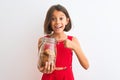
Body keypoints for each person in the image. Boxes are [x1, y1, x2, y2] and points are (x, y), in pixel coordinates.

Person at [37, 4, 89, 80]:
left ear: (67, 21)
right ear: (49, 21)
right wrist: (42, 69)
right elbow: (40, 66)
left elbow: (86, 66)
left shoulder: (73, 40)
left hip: (67, 77)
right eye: (53, 19)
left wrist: (74, 46)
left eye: (61, 18)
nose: (57, 22)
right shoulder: (43, 41)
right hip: (49, 77)